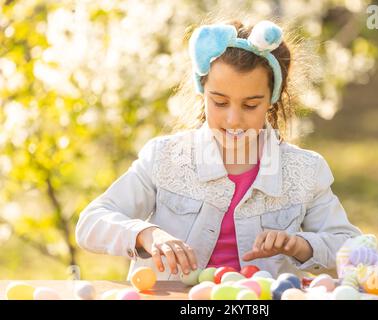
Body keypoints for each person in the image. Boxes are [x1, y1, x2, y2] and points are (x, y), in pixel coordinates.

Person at [75, 19, 362, 281]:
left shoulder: (305, 171)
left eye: (250, 105)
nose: (233, 119)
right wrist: (147, 235)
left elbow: (351, 247)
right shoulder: (164, 157)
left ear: (272, 100)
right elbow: (91, 223)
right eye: (220, 102)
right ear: (203, 92)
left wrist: (301, 245)